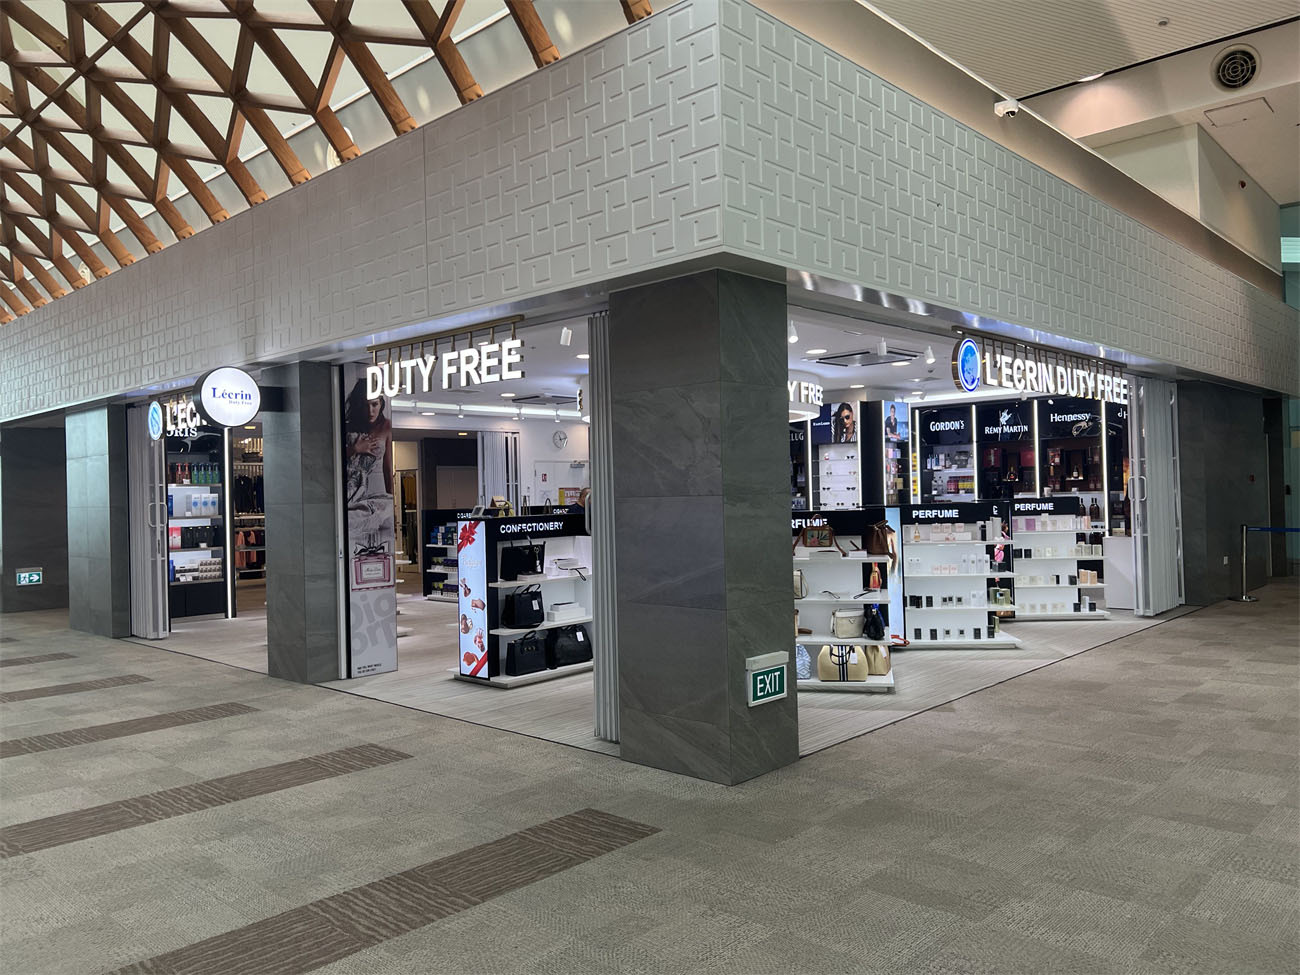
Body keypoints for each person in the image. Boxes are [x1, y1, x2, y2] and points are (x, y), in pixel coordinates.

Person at [344, 380, 394, 540]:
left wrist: (393, 501)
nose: (370, 411)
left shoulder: (386, 426)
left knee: (380, 535)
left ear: (381, 403)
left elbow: (388, 468)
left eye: (374, 404)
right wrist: (355, 449)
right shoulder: (347, 427)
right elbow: (330, 461)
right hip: (352, 490)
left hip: (377, 490)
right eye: (365, 405)